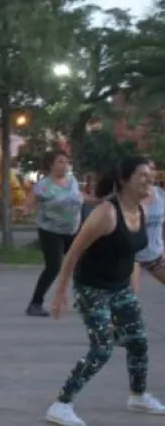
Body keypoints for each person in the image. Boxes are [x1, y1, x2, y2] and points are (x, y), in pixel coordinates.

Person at [45, 155, 165, 426]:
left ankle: (138, 395)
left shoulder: (143, 209)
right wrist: (60, 292)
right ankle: (60, 404)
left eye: (151, 174)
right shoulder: (107, 213)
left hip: (120, 287)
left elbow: (142, 253)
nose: (150, 180)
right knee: (102, 347)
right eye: (143, 175)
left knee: (138, 341)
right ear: (124, 180)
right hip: (93, 288)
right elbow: (74, 252)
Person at [26, 151, 83, 317]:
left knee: (81, 264)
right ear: (51, 165)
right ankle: (35, 303)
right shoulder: (43, 185)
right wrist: (27, 209)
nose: (64, 165)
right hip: (50, 231)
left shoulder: (72, 181)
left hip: (72, 229)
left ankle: (84, 300)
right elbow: (30, 203)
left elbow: (79, 198)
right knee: (54, 266)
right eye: (60, 162)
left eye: (66, 162)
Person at [132, 161, 165, 292]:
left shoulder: (161, 195)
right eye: (145, 172)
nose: (150, 174)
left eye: (152, 170)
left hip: (155, 255)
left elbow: (163, 225)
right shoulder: (129, 196)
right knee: (131, 301)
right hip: (133, 257)